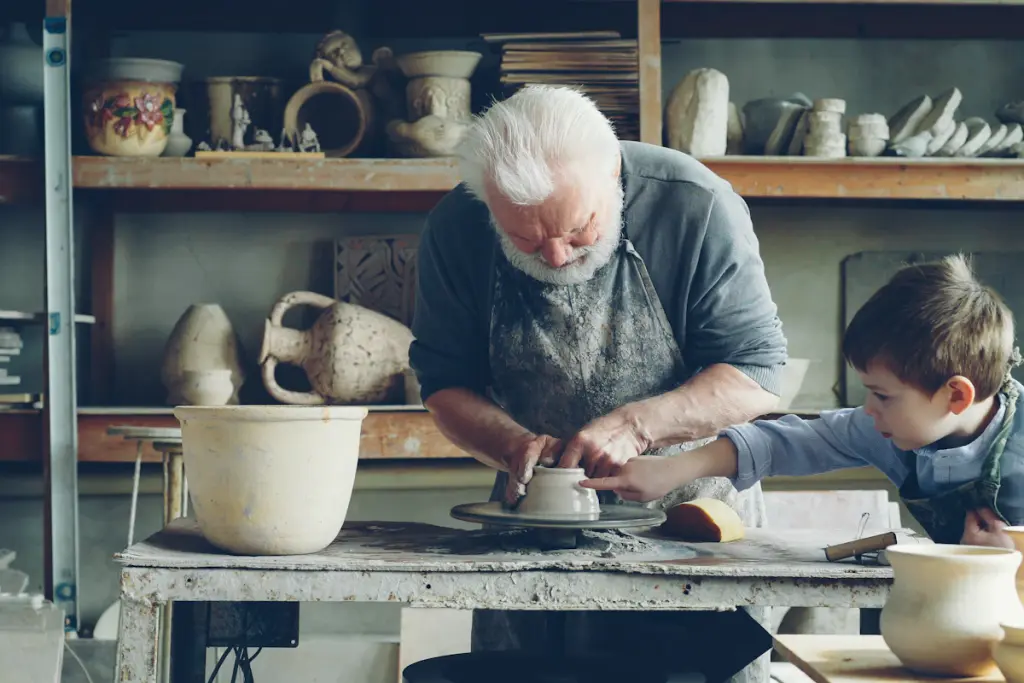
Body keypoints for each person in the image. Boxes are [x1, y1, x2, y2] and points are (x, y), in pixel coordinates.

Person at [409, 84, 788, 683]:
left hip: (693, 527)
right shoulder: (457, 226)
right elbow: (443, 381)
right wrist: (511, 446)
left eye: (579, 229)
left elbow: (759, 376)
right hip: (537, 526)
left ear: (613, 172)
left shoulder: (695, 206)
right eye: (526, 240)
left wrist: (638, 426)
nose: (556, 256)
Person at [582, 254, 1024, 549]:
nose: (869, 409)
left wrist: (1004, 563)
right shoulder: (888, 430)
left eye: (883, 396)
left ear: (957, 396)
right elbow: (783, 443)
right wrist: (674, 469)